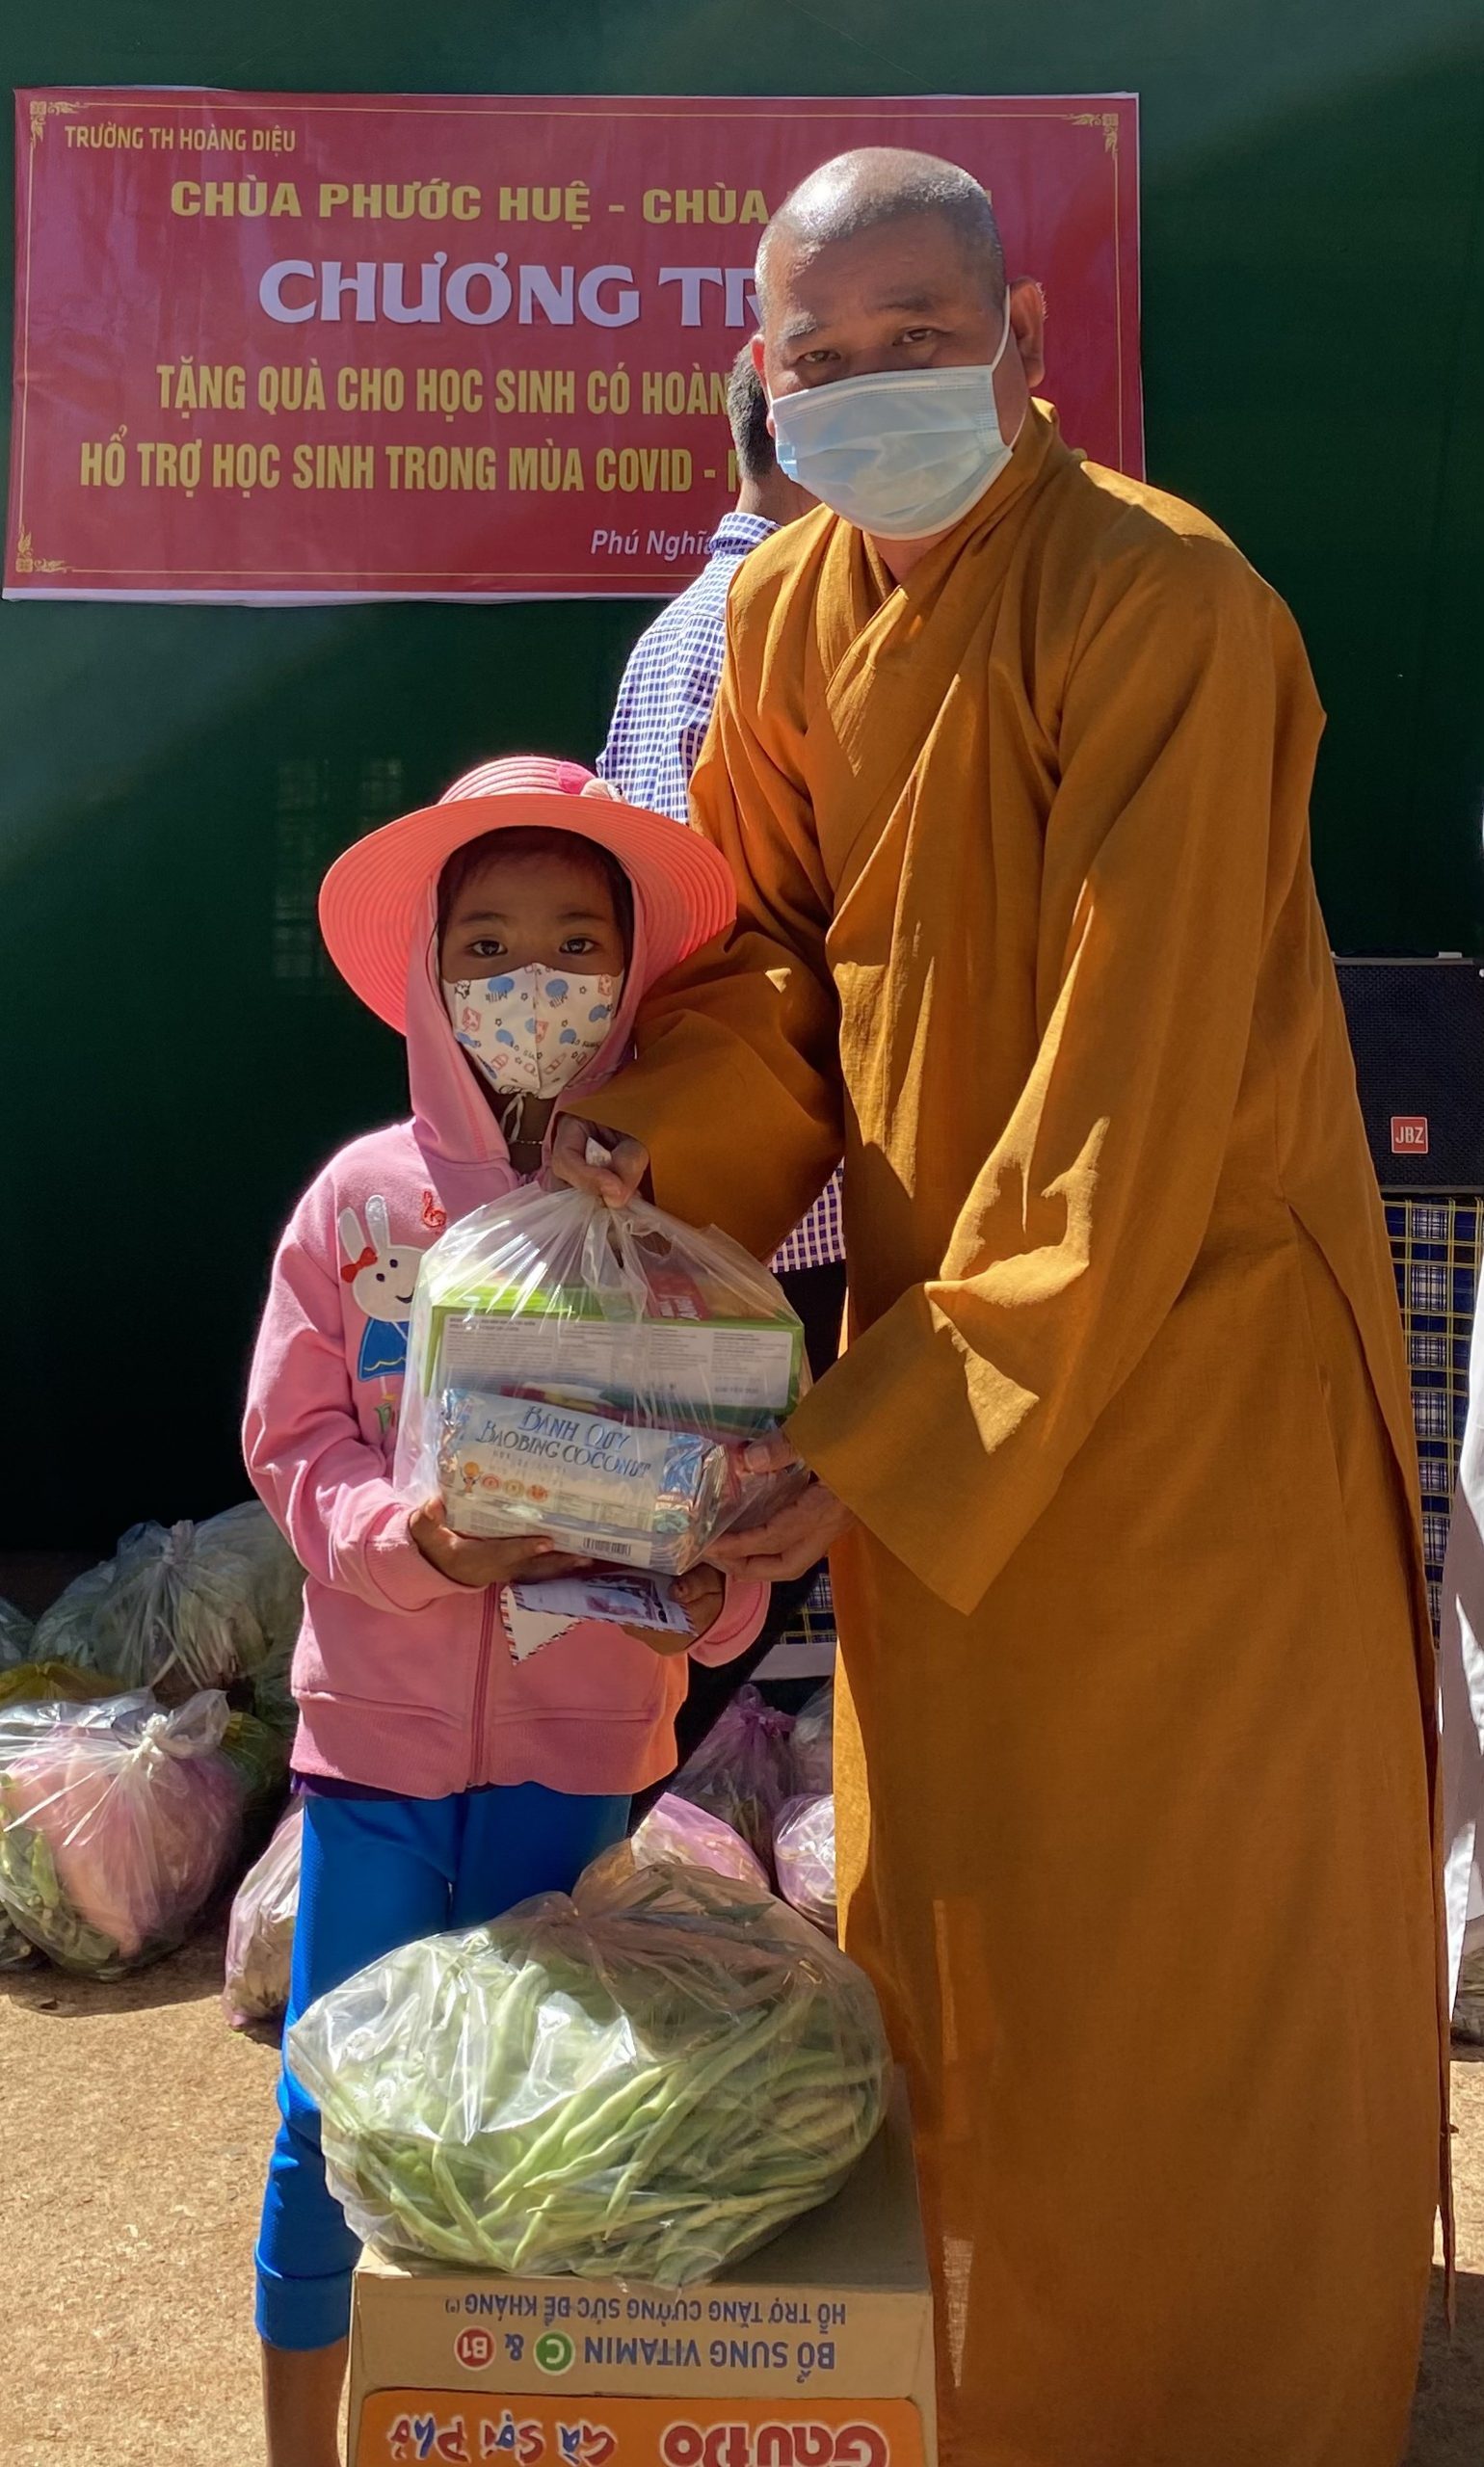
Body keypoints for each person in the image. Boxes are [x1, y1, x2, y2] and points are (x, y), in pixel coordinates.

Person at [555, 149, 1446, 2467]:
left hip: (1179, 1384)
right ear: (762, 380)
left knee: (1195, 1959)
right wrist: (645, 1178)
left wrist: (857, 1441)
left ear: (1024, 346)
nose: (866, 392)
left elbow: (1122, 1089)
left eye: (916, 336)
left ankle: (1249, 2410)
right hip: (954, 1372)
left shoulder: (1165, 602)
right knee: (980, 1945)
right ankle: (1012, 2394)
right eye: (816, 357)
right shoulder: (779, 623)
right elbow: (756, 963)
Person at [243, 754, 766, 2467]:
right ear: (428, 975)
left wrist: (713, 1599)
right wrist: (414, 1542)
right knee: (327, 2124)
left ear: (629, 975)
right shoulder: (365, 1203)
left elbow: (741, 1486)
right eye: (487, 946)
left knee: (543, 2130)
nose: (530, 986)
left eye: (570, 946)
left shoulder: (678, 1228)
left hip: (577, 1762)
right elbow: (293, 1441)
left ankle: (518, 2431)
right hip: (374, 1760)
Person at [597, 345, 842, 1757]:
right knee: (747, 1527)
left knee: (707, 1537)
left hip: (702, 1171)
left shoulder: (677, 630)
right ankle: (667, 1805)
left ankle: (664, 1801)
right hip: (783, 1192)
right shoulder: (780, 625)